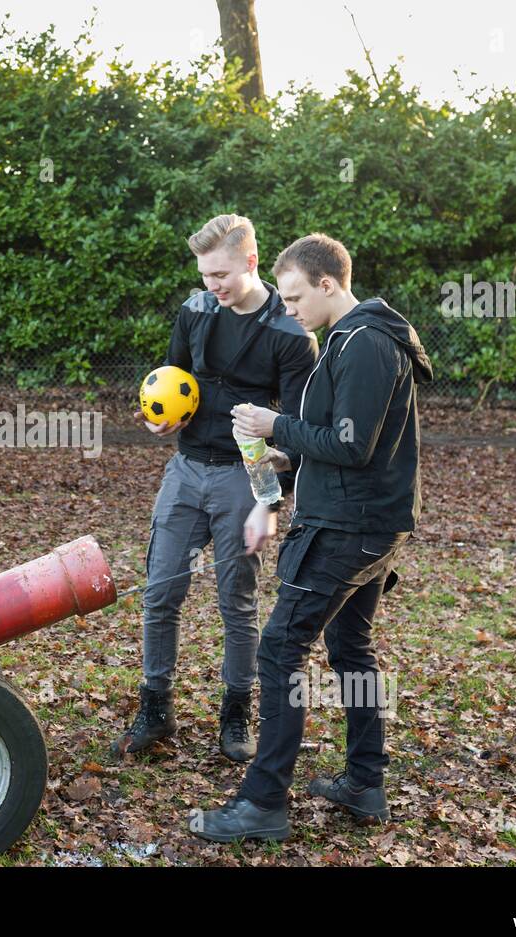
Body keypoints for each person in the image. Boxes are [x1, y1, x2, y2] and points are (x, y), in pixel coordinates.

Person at [190, 233, 433, 842]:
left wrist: (280, 424)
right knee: (351, 650)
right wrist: (283, 460)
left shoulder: (367, 345)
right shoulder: (345, 342)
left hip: (351, 528)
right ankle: (364, 783)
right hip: (360, 519)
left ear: (329, 284)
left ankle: (264, 803)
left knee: (278, 652)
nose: (289, 307)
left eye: (296, 296)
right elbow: (337, 439)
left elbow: (354, 446)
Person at [113, 214, 318, 762]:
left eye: (221, 274)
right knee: (159, 593)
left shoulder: (292, 332)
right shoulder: (195, 309)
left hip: (245, 475)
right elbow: (171, 378)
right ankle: (155, 708)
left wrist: (273, 495)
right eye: (205, 275)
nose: (212, 286)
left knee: (238, 602)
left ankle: (235, 715)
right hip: (185, 469)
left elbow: (298, 425)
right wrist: (162, 418)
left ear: (251, 262)